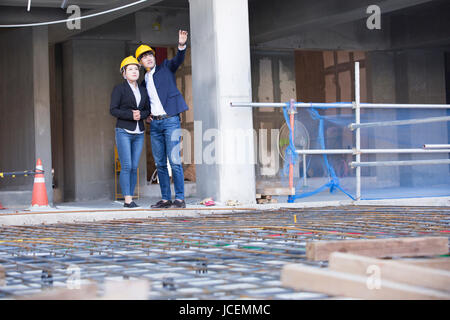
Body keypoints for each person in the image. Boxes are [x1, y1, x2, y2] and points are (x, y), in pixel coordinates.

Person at [135, 30, 189, 209]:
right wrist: (146, 114)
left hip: (171, 120)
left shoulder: (166, 67)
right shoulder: (144, 82)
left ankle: (179, 199)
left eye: (150, 54)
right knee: (160, 163)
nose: (148, 58)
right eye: (144, 57)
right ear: (141, 63)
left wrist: (181, 46)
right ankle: (166, 199)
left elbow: (178, 60)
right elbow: (143, 102)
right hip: (155, 124)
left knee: (174, 161)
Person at [110, 56, 150, 208]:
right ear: (124, 73)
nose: (134, 72)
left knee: (134, 166)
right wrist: (130, 115)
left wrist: (142, 115)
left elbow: (147, 110)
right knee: (126, 166)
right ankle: (127, 200)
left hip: (139, 132)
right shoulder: (119, 89)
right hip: (124, 131)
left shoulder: (143, 90)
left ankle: (130, 197)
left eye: (136, 69)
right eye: (130, 69)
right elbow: (113, 110)